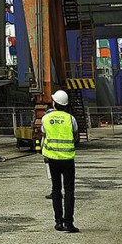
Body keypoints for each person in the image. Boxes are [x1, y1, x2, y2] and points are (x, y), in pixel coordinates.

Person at [42, 90, 79, 233]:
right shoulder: (71, 119)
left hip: (52, 159)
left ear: (54, 103)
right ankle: (69, 223)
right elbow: (75, 136)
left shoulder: (46, 118)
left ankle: (58, 222)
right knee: (69, 190)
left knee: (56, 189)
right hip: (68, 159)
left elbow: (44, 134)